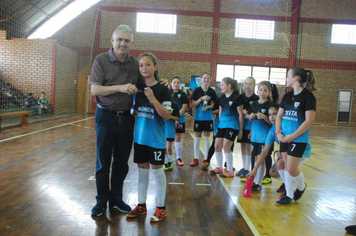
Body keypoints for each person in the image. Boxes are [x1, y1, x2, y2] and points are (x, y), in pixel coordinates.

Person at [90, 24, 144, 217]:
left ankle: (116, 200)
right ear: (112, 40)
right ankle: (101, 201)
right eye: (119, 39)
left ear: (131, 43)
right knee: (103, 162)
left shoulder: (134, 63)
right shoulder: (101, 60)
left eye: (126, 40)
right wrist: (121, 88)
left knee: (121, 162)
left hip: (127, 119)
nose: (122, 43)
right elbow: (95, 89)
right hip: (105, 116)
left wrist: (159, 82)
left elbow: (145, 83)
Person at [126, 53, 171, 222]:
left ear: (155, 67)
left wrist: (153, 99)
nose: (144, 68)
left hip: (156, 139)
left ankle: (161, 208)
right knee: (142, 172)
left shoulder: (162, 89)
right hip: (140, 138)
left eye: (148, 65)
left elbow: (167, 115)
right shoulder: (137, 88)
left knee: (157, 171)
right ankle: (141, 205)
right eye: (141, 65)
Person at [247, 104, 312, 200]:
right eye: (269, 115)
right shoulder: (272, 131)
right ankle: (288, 183)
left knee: (283, 164)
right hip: (287, 152)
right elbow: (264, 151)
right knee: (273, 172)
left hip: (302, 151)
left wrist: (281, 152)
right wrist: (254, 169)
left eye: (275, 114)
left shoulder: (287, 125)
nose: (272, 117)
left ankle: (293, 190)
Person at [275, 67, 316, 205]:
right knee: (285, 166)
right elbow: (279, 116)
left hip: (298, 139)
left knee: (292, 168)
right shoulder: (287, 96)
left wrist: (292, 136)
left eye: (288, 76)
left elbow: (309, 121)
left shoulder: (308, 97)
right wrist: (278, 133)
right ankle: (290, 195)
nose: (286, 79)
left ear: (295, 78)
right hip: (284, 137)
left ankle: (302, 186)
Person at [209, 77, 243, 177]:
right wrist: (220, 124)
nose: (221, 86)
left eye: (223, 84)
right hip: (222, 126)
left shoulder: (237, 98)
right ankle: (219, 167)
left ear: (229, 86)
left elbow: (240, 114)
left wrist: (240, 130)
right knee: (217, 146)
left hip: (232, 126)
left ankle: (229, 170)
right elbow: (220, 112)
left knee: (226, 146)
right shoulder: (221, 98)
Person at [245, 81, 272, 192]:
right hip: (255, 136)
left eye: (265, 90)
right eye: (261, 90)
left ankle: (258, 183)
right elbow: (248, 117)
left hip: (265, 137)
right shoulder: (254, 104)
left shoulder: (271, 106)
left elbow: (273, 122)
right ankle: (253, 181)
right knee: (254, 158)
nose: (262, 92)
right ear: (257, 91)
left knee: (260, 159)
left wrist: (265, 117)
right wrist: (249, 116)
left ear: (269, 92)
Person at [190, 72, 217, 166]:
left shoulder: (212, 92)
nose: (206, 80)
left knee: (206, 138)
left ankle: (206, 158)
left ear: (210, 79)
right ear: (201, 79)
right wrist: (201, 99)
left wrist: (209, 106)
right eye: (204, 78)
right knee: (197, 137)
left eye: (208, 78)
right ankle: (196, 158)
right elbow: (193, 105)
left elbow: (216, 104)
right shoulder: (197, 91)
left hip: (208, 118)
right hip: (198, 117)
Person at [235, 77, 259, 178]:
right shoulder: (240, 97)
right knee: (243, 146)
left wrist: (247, 115)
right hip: (242, 125)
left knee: (249, 147)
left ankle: (248, 168)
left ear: (254, 85)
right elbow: (239, 113)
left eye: (250, 84)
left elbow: (255, 115)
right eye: (246, 83)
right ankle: (244, 167)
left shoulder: (256, 99)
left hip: (251, 127)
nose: (247, 86)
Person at [170, 76, 188, 166]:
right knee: (168, 138)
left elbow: (184, 107)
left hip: (180, 119)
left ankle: (178, 157)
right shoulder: (167, 93)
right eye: (174, 82)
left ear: (180, 84)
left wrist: (177, 117)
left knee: (178, 137)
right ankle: (167, 159)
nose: (176, 84)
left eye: (178, 82)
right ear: (171, 84)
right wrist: (171, 117)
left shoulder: (183, 94)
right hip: (169, 120)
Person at [164, 100, 180, 171]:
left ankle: (170, 162)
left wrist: (170, 116)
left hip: (170, 129)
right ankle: (165, 162)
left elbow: (177, 118)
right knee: (163, 148)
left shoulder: (174, 106)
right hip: (162, 128)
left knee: (168, 148)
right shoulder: (161, 104)